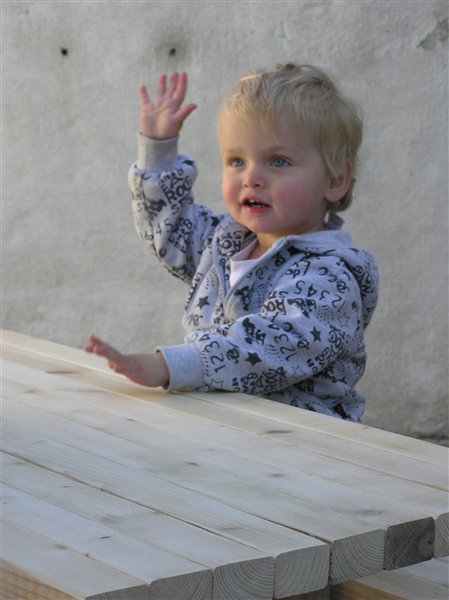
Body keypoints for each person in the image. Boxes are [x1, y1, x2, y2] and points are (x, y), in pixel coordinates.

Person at [85, 64, 379, 421]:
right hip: (223, 426)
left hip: (300, 439)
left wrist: (172, 365)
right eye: (237, 160)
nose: (251, 177)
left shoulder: (329, 278)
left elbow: (268, 345)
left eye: (278, 161)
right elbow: (169, 231)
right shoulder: (225, 242)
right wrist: (158, 153)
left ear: (335, 180)